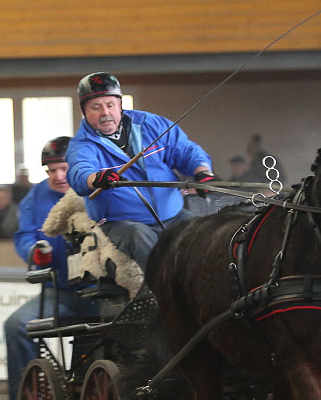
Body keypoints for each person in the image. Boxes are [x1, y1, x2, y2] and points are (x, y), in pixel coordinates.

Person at [66, 72, 214, 269]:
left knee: (207, 233)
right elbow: (79, 171)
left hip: (173, 215)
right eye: (96, 107)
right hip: (123, 223)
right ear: (83, 111)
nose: (105, 113)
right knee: (139, 236)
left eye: (110, 105)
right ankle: (164, 291)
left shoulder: (151, 124)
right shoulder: (82, 145)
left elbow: (186, 150)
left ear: (120, 104)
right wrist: (97, 178)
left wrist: (202, 172)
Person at [4, 136, 97, 400]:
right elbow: (22, 235)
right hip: (60, 295)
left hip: (102, 293)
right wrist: (34, 250)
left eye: (64, 169)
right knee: (16, 326)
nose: (57, 176)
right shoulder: (35, 197)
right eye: (51, 170)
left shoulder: (96, 187)